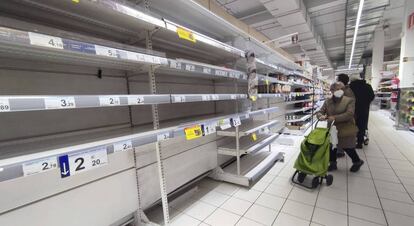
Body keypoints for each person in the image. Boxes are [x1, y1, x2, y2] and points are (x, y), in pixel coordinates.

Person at [317, 82, 364, 172]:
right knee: (332, 146)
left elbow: (349, 114)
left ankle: (357, 161)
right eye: (334, 89)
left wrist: (334, 117)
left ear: (342, 90)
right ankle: (333, 163)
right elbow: (320, 112)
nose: (336, 91)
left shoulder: (349, 100)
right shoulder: (328, 101)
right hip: (332, 128)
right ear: (331, 91)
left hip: (345, 127)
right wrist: (320, 116)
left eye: (338, 89)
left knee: (347, 147)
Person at [349, 74, 375, 148]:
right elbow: (372, 96)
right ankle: (360, 143)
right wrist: (366, 102)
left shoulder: (351, 87)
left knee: (352, 125)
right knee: (362, 125)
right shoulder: (368, 86)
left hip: (353, 109)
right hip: (364, 109)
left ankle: (352, 141)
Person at [335, 73, 355, 157]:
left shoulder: (346, 92)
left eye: (337, 80)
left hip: (343, 118)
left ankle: (356, 160)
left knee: (342, 137)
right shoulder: (345, 90)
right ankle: (338, 153)